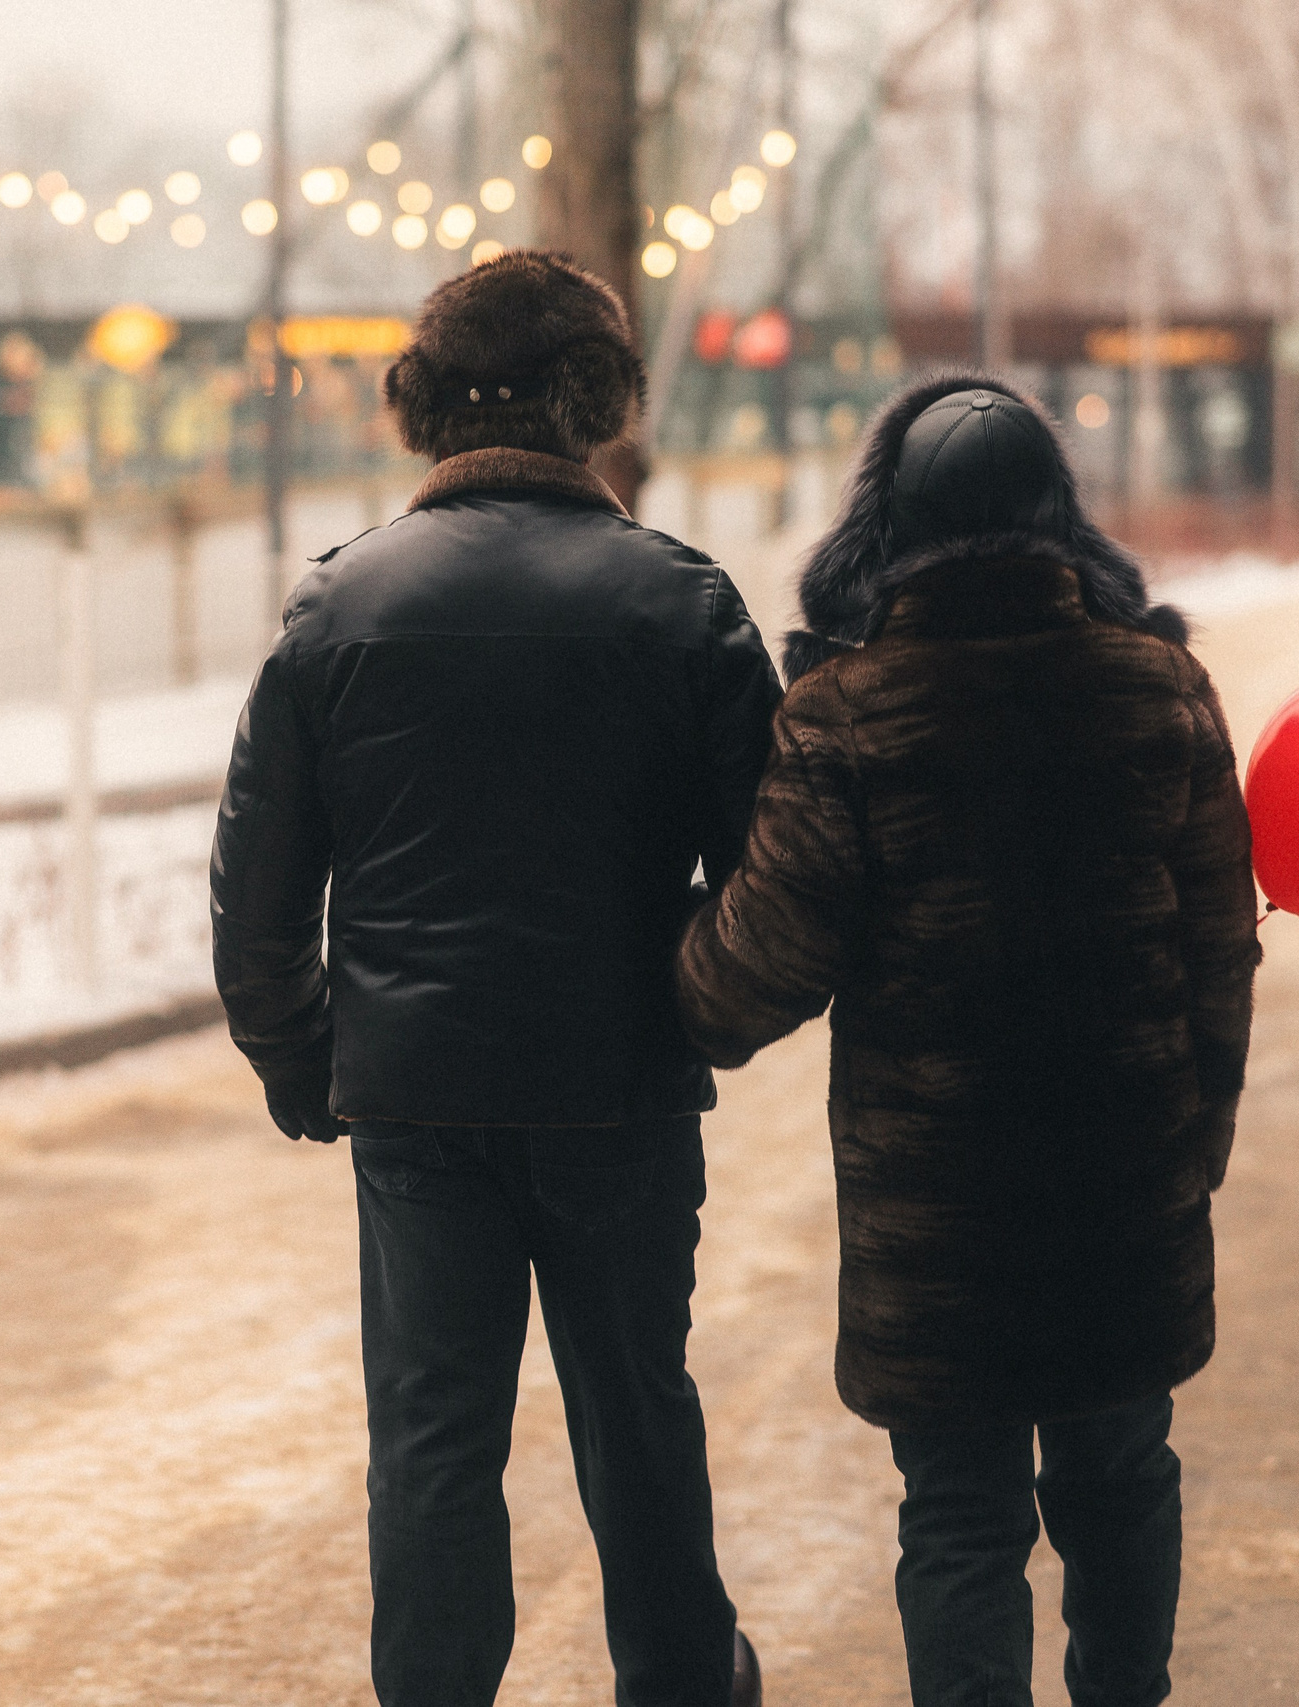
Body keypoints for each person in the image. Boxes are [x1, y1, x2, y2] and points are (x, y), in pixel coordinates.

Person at [210, 250, 778, 1707]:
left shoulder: (338, 607)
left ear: (426, 406)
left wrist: (309, 1059)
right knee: (639, 1418)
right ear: (595, 403)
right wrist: (694, 1008)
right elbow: (774, 874)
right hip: (619, 1093)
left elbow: (257, 893)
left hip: (416, 1105)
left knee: (432, 1443)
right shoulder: (683, 603)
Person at [675, 374, 1261, 1707]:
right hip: (1125, 1181)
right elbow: (1220, 947)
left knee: (958, 1513)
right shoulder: (1159, 687)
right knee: (1122, 1474)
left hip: (941, 1213)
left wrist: (665, 954)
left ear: (885, 526)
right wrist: (1195, 1143)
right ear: (1061, 515)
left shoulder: (849, 713)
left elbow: (753, 972)